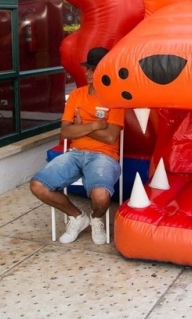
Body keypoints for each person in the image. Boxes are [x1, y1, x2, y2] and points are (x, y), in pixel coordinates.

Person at [30, 47, 124, 245]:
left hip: (103, 155)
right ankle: (78, 217)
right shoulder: (76, 95)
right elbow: (65, 132)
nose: (88, 73)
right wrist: (95, 125)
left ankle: (97, 219)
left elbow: (109, 137)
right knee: (38, 186)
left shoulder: (115, 99)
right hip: (75, 153)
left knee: (100, 197)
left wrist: (80, 127)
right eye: (87, 68)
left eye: (94, 69)